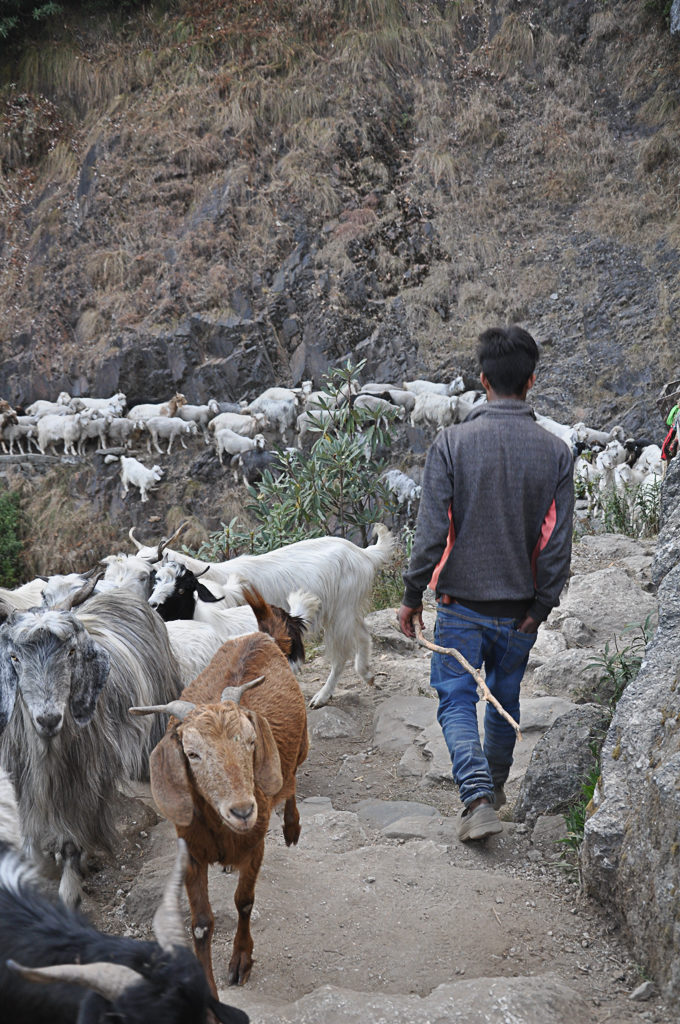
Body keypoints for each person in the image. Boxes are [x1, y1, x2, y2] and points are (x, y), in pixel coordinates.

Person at [397, 325, 574, 841]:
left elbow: (431, 534)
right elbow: (555, 543)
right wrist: (541, 607)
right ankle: (493, 789)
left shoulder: (451, 443)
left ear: (482, 379)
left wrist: (411, 596)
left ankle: (475, 798)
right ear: (531, 382)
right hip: (519, 609)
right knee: (504, 694)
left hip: (459, 604)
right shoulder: (556, 453)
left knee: (455, 698)